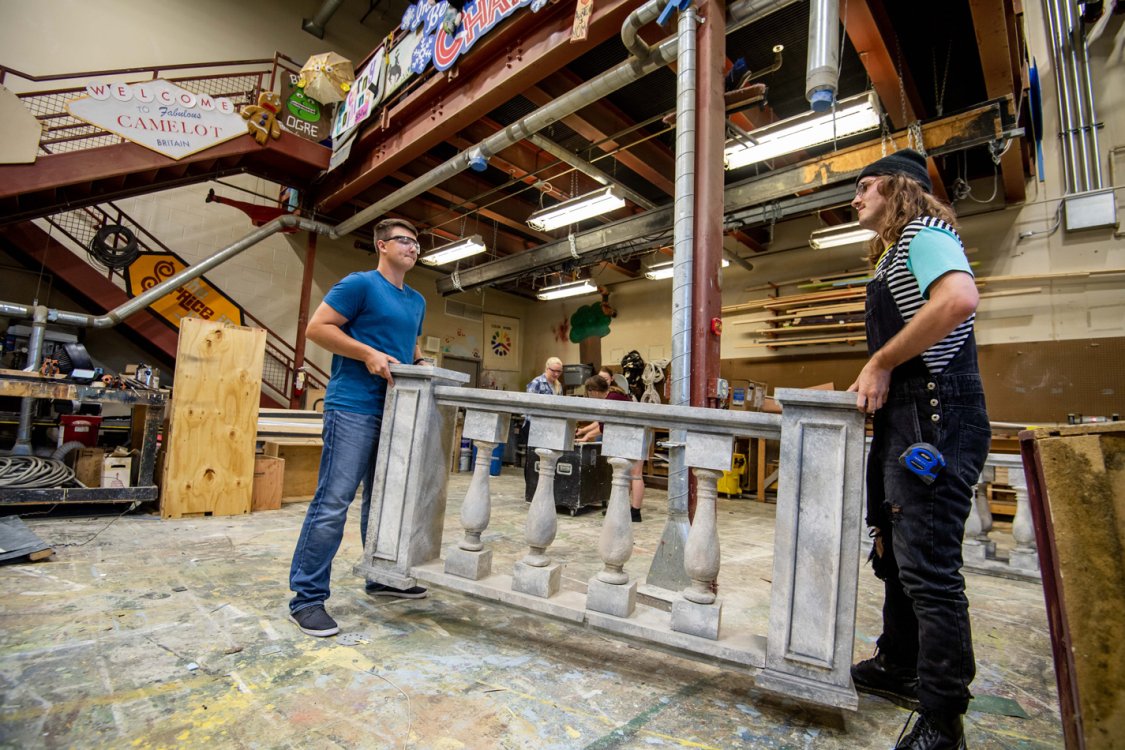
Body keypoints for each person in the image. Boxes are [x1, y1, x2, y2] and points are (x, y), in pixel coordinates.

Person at [846, 149, 990, 750]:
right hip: (905, 417)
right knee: (895, 555)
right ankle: (898, 663)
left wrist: (880, 360)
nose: (855, 197)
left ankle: (943, 716)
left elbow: (958, 300)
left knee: (929, 569)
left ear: (898, 187)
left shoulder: (925, 233)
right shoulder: (890, 257)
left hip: (936, 414)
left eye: (865, 185)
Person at [288, 218, 430, 638]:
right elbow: (318, 329)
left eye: (417, 241)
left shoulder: (417, 299)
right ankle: (307, 599)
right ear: (382, 246)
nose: (414, 247)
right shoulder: (360, 284)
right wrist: (367, 352)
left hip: (396, 410)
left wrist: (420, 362)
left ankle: (380, 575)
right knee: (334, 501)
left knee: (384, 500)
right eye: (405, 240)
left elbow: (408, 342)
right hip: (353, 406)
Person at [577, 375, 644, 522]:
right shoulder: (613, 395)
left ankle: (635, 511)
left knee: (636, 474)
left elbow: (603, 427)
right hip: (630, 435)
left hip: (636, 434)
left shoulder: (611, 399)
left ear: (593, 391)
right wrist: (586, 434)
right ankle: (622, 508)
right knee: (624, 474)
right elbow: (602, 424)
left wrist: (587, 435)